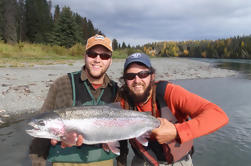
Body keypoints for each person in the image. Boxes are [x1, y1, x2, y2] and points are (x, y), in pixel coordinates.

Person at [29, 34, 127, 166]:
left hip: (103, 160)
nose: (97, 59)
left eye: (104, 56)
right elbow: (41, 132)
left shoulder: (116, 90)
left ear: (110, 60)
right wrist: (37, 163)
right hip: (65, 161)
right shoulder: (62, 84)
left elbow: (124, 133)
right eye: (92, 54)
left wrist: (122, 162)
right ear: (85, 56)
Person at [118, 52, 229, 166]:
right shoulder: (122, 100)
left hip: (176, 162)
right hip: (141, 161)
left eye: (143, 74)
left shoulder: (169, 93)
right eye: (130, 76)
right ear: (125, 80)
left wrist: (177, 132)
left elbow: (218, 115)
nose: (137, 80)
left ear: (152, 76)